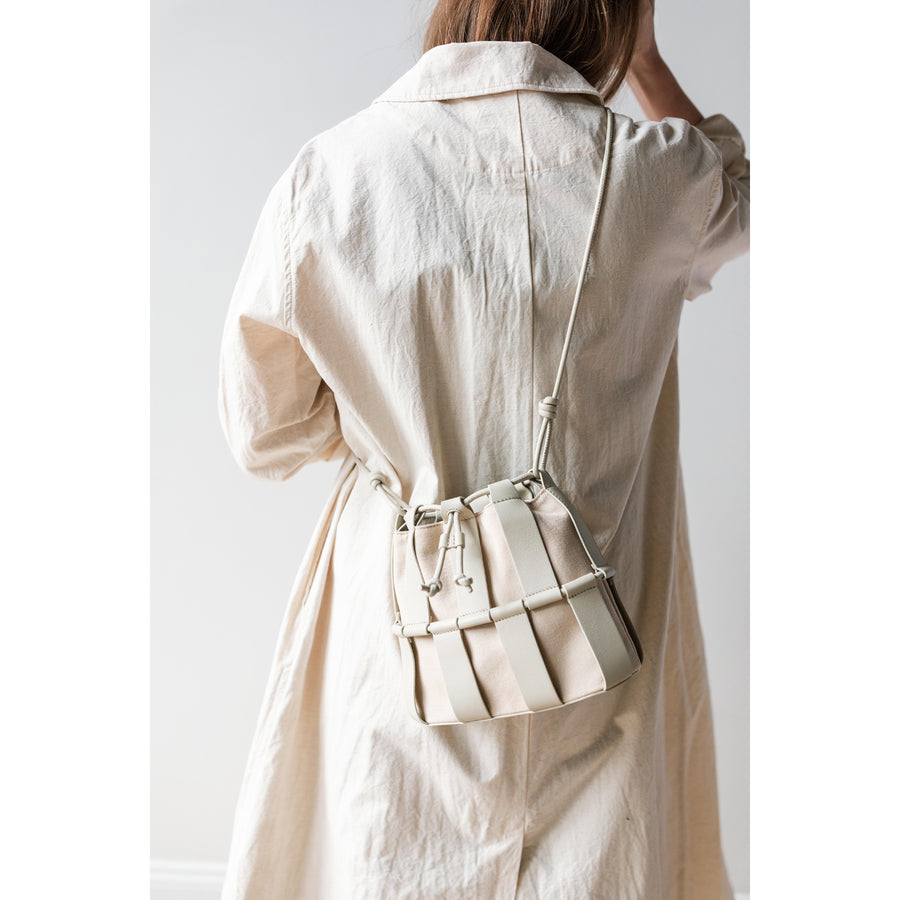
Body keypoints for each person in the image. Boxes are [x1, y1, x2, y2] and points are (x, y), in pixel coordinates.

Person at [216, 0, 750, 896]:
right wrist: (648, 63)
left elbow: (264, 433)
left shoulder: (335, 176)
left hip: (405, 635)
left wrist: (395, 409)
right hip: (601, 651)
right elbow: (746, 193)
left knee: (390, 860)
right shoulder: (659, 174)